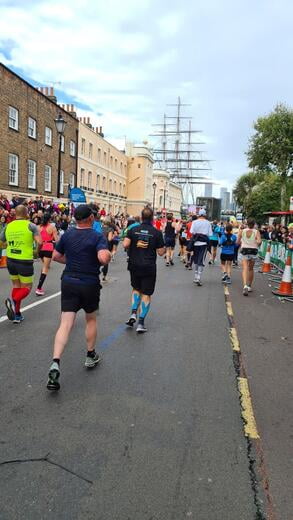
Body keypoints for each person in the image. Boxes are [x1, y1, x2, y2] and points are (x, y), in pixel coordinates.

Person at [46, 205, 111, 391]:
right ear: (91, 218)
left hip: (69, 281)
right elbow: (102, 257)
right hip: (89, 283)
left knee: (65, 323)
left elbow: (56, 256)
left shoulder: (67, 235)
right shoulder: (97, 236)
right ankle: (90, 355)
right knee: (90, 319)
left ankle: (55, 362)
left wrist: (73, 260)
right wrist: (104, 255)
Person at [123, 207, 165, 333]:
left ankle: (133, 314)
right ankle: (141, 323)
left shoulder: (133, 229)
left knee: (136, 289)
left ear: (141, 217)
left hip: (134, 264)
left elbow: (125, 244)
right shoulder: (157, 232)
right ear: (152, 218)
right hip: (149, 266)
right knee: (146, 293)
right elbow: (161, 253)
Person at [0, 205, 42, 323]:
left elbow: (1, 241)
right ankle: (13, 305)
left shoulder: (8, 226)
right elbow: (40, 242)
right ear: (26, 213)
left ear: (16, 214)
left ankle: (17, 315)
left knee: (16, 286)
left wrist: (10, 246)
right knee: (27, 287)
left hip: (10, 260)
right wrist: (36, 253)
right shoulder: (31, 225)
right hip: (24, 260)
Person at [237, 218, 262, 296]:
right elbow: (259, 242)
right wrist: (256, 242)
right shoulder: (256, 232)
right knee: (251, 269)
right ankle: (249, 286)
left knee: (245, 268)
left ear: (247, 223)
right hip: (253, 251)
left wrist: (242, 242)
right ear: (254, 224)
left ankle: (244, 285)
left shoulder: (242, 231)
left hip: (244, 250)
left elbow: (237, 242)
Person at [36, 213, 58, 296]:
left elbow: (36, 240)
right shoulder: (52, 227)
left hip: (40, 248)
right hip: (48, 248)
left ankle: (41, 280)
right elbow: (57, 240)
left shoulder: (38, 227)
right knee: (45, 268)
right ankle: (39, 288)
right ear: (49, 219)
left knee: (44, 266)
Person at [190, 209, 212, 286]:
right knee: (201, 260)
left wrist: (198, 233)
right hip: (204, 243)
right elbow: (210, 234)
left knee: (196, 260)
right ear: (205, 214)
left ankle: (196, 276)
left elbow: (192, 232)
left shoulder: (194, 222)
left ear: (199, 214)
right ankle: (198, 277)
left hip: (196, 243)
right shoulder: (208, 223)